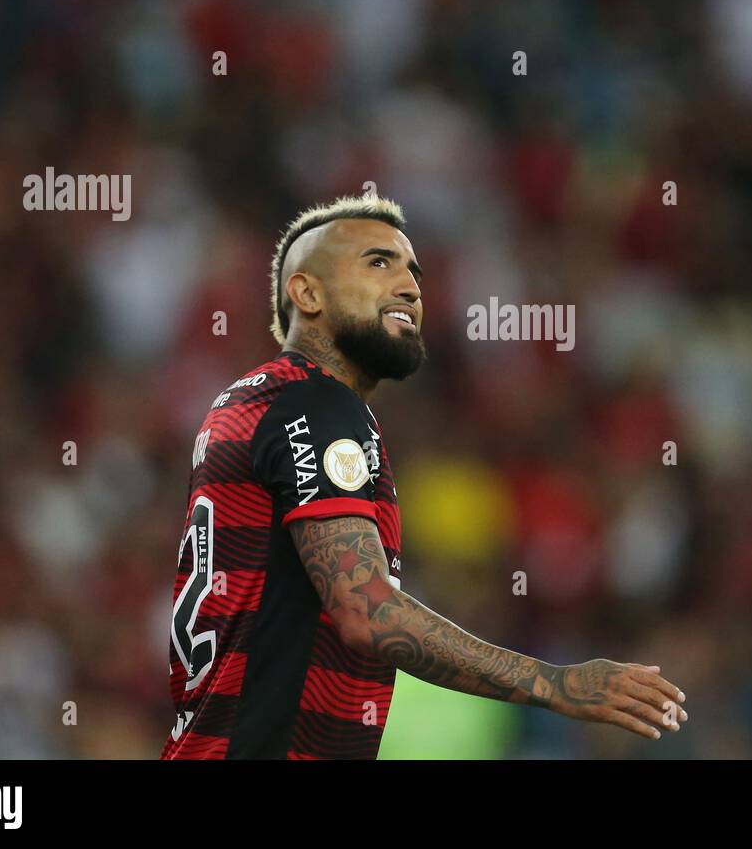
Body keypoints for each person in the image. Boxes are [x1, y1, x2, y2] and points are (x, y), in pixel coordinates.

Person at [163, 195, 687, 759]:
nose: (411, 287)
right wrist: (555, 684)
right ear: (307, 293)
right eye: (377, 263)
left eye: (413, 271)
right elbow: (366, 610)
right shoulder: (316, 405)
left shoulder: (248, 402)